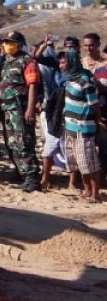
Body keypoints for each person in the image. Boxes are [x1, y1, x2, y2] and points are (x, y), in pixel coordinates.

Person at [0, 31, 42, 191]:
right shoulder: (7, 62)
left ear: (20, 44)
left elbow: (32, 86)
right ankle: (21, 172)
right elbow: (3, 86)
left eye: (11, 42)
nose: (7, 45)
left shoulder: (28, 61)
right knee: (12, 143)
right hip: (6, 108)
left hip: (20, 107)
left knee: (24, 142)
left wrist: (29, 109)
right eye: (6, 42)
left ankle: (32, 178)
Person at [61, 48, 102, 201]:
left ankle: (95, 193)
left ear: (71, 62)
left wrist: (97, 123)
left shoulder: (85, 79)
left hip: (83, 126)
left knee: (89, 161)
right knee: (78, 161)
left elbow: (94, 104)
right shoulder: (70, 78)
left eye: (64, 62)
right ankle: (86, 190)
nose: (61, 65)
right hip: (70, 126)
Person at [81, 33, 107, 174]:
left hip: (103, 108)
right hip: (84, 110)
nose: (88, 48)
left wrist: (100, 86)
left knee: (103, 144)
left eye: (91, 45)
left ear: (98, 44)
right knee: (86, 144)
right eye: (86, 45)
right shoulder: (81, 63)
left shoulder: (105, 63)